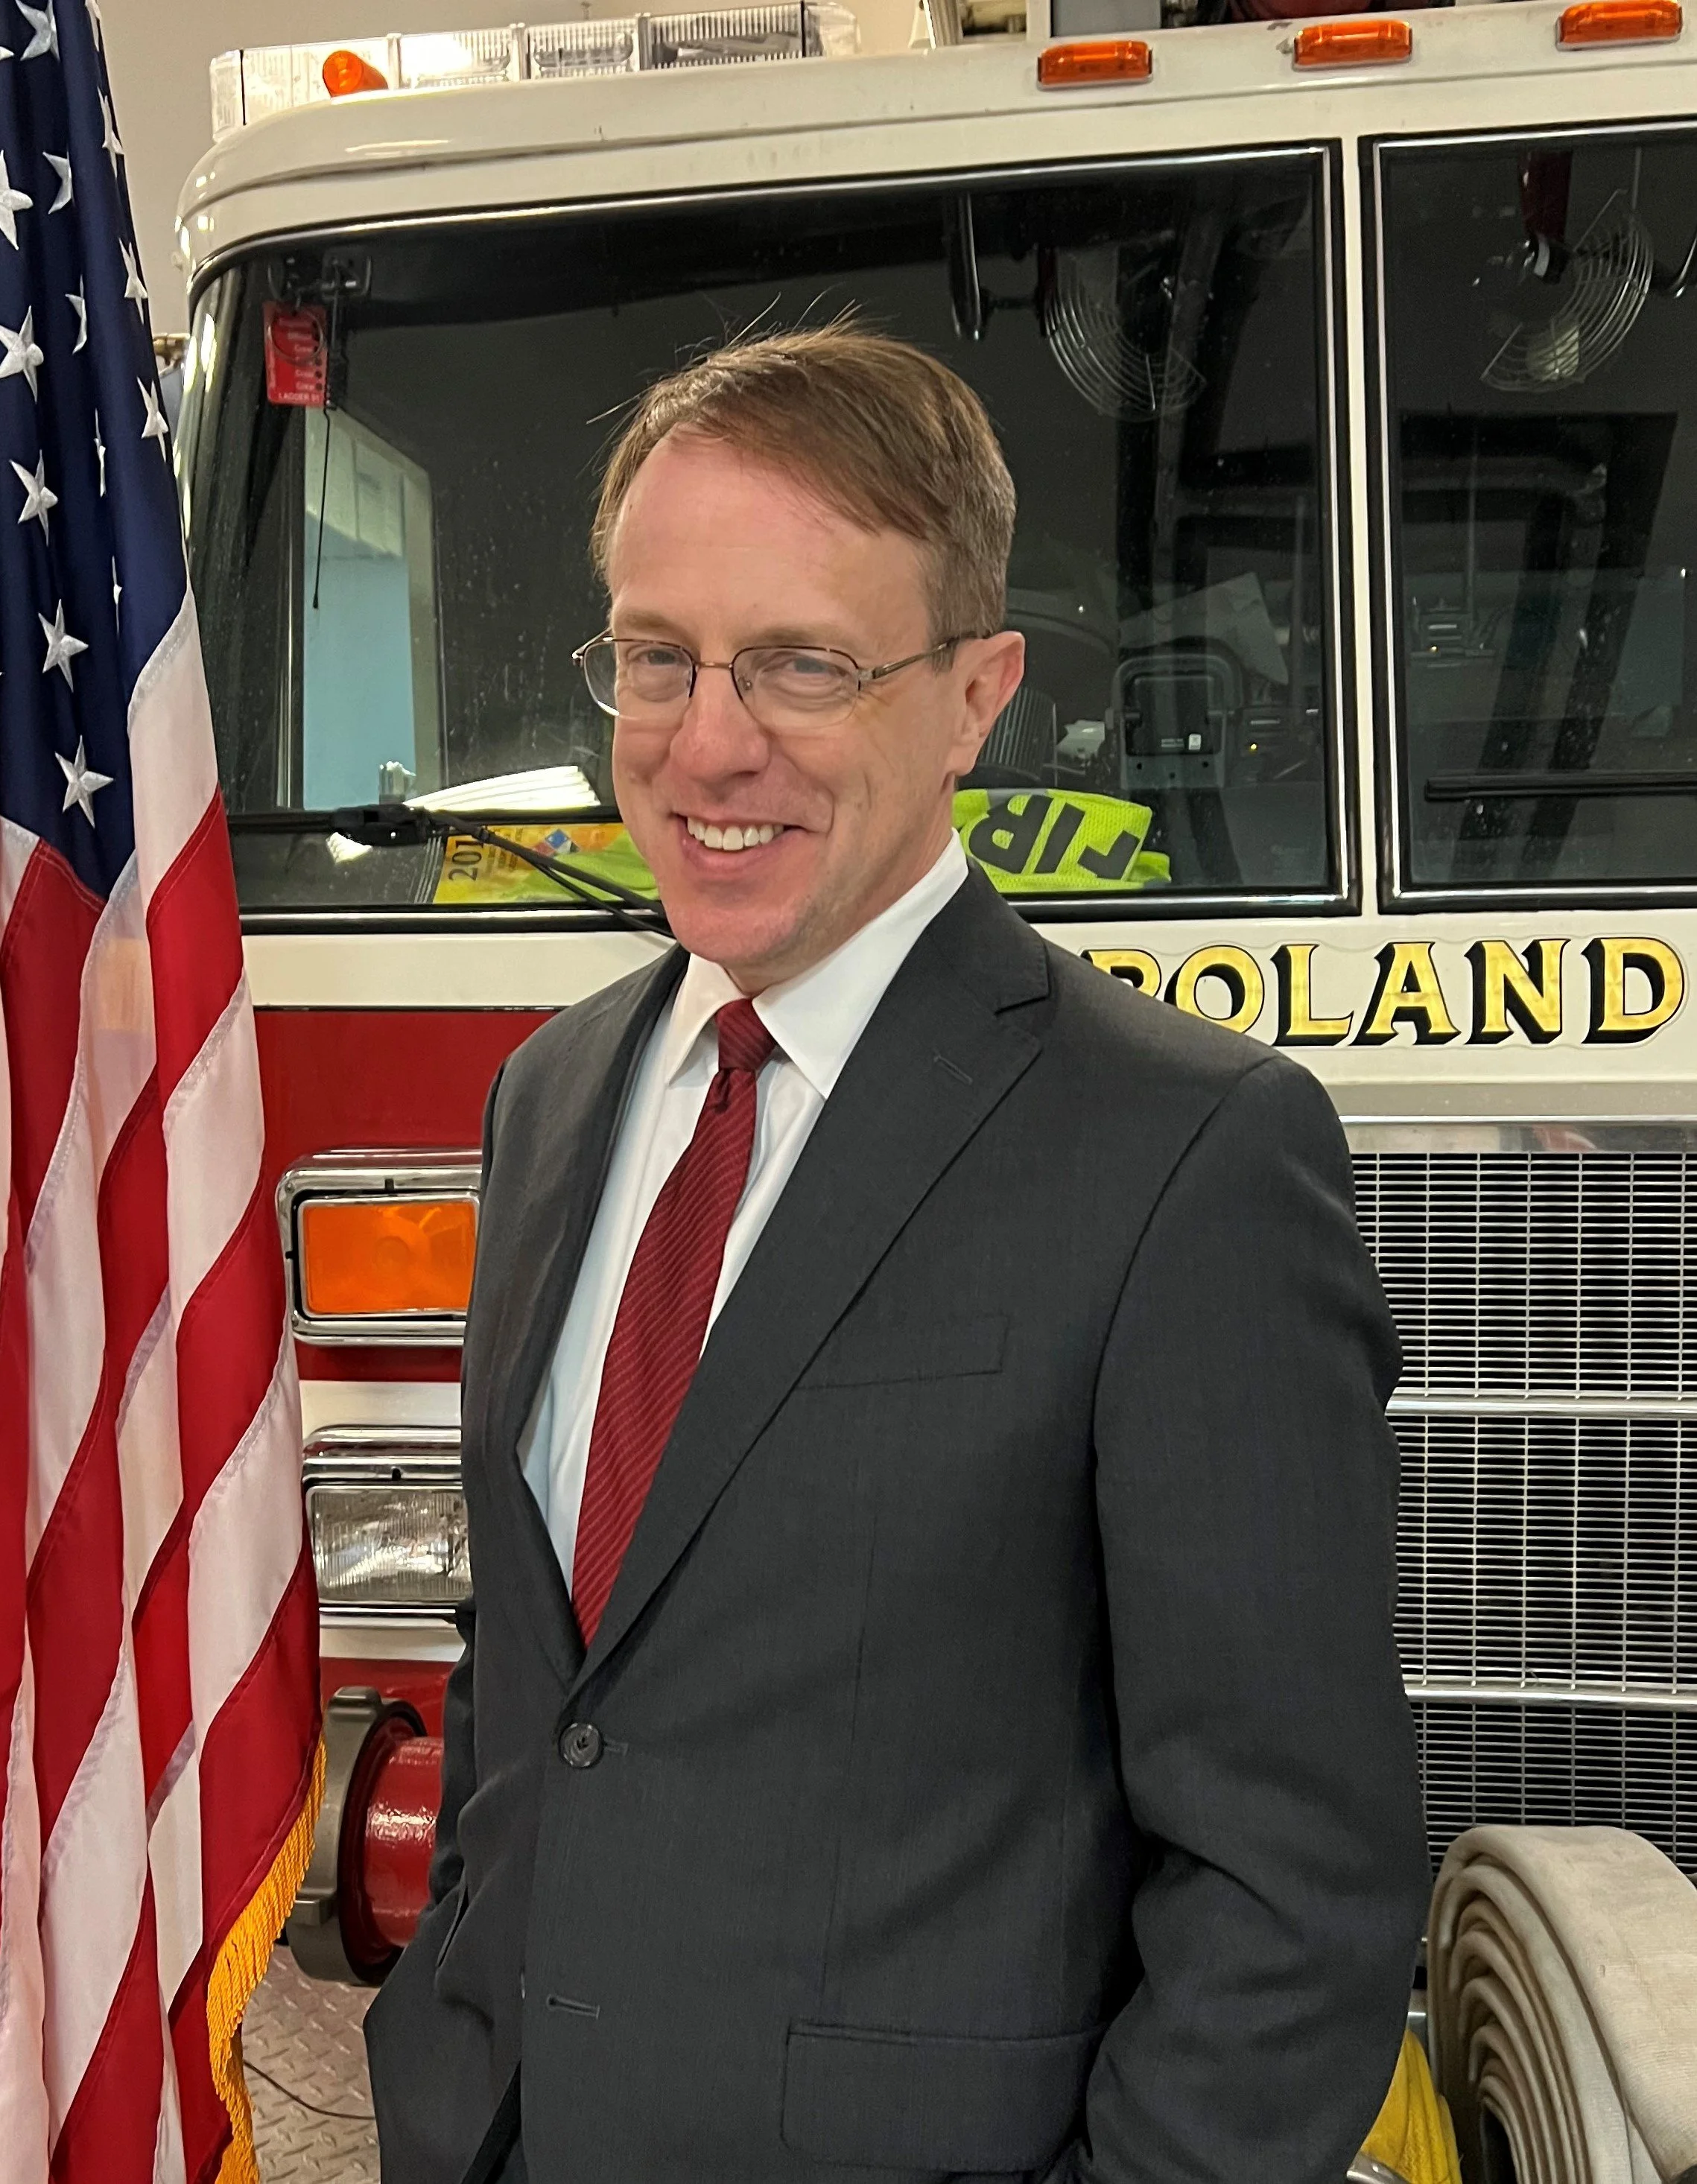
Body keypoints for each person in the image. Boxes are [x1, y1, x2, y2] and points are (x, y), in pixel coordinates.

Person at [364, 326, 1429, 2184]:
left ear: (972, 693)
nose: (707, 741)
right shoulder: (549, 1096)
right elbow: (538, 1684)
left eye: (801, 663)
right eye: (656, 656)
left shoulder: (1187, 1158)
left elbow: (1289, 1894)